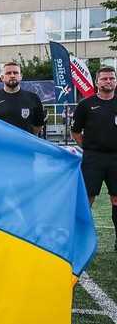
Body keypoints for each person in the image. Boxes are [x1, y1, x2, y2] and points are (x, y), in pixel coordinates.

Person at [72, 66, 117, 250]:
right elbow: (75, 132)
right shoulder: (85, 105)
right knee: (87, 198)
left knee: (116, 199)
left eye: (111, 78)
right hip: (93, 159)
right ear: (97, 82)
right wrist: (90, 149)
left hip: (116, 159)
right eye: (104, 78)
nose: (108, 81)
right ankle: (79, 240)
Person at [0, 62, 45, 134]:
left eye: (15, 73)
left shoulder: (33, 98)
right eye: (8, 73)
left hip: (23, 144)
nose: (12, 75)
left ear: (21, 76)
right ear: (2, 78)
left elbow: (38, 126)